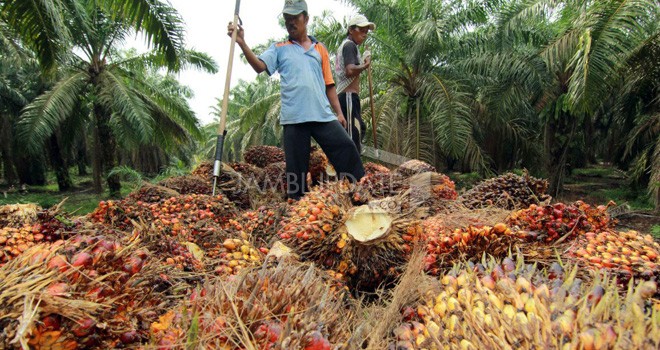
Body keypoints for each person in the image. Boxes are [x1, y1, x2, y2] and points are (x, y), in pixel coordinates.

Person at [227, 0, 365, 200]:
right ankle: (297, 211)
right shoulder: (279, 48)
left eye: (295, 17)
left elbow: (329, 84)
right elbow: (259, 66)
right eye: (287, 18)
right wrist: (241, 42)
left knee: (347, 149)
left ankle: (361, 191)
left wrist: (339, 113)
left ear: (306, 18)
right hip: (294, 119)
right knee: (296, 175)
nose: (291, 22)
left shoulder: (320, 49)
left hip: (322, 115)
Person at [335, 14, 375, 153]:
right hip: (348, 97)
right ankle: (349, 171)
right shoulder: (349, 45)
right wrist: (366, 65)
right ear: (351, 30)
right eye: (362, 29)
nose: (365, 34)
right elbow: (350, 70)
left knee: (359, 129)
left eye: (366, 31)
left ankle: (347, 166)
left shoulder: (350, 46)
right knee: (352, 136)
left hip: (349, 98)